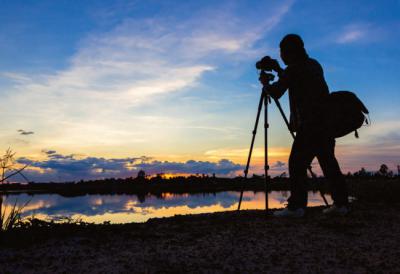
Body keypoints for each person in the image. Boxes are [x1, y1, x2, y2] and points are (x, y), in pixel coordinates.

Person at [259, 34, 349, 217]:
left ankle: (296, 207)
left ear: (289, 52)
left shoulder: (294, 69)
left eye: (283, 52)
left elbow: (277, 92)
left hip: (309, 124)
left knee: (297, 164)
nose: (282, 55)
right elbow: (296, 78)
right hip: (325, 123)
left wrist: (266, 84)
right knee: (329, 163)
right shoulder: (313, 64)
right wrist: (278, 69)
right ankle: (341, 204)